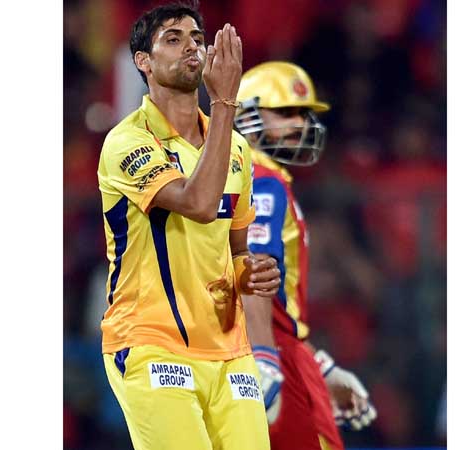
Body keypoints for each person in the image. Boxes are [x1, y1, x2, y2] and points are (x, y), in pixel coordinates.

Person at [97, 3, 281, 450]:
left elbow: (236, 249)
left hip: (230, 352)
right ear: (144, 61)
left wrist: (251, 272)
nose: (191, 48)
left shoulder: (236, 149)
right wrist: (224, 102)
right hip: (152, 344)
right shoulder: (128, 141)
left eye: (197, 39)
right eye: (174, 39)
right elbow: (198, 204)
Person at [234, 61, 378, 450]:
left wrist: (323, 367)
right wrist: (266, 356)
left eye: (303, 113)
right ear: (246, 116)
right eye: (285, 112)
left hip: (265, 347)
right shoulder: (263, 182)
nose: (299, 123)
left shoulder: (246, 178)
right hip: (273, 351)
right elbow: (255, 278)